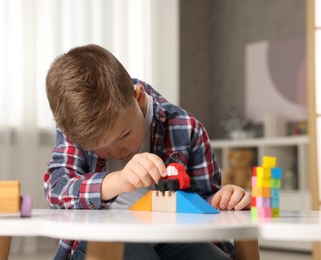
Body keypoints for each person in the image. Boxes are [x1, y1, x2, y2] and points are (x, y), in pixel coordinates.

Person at [44, 44, 251, 260]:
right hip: (101, 238)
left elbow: (203, 200)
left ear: (139, 97)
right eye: (98, 147)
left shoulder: (186, 128)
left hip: (171, 238)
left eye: (124, 134)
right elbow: (57, 189)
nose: (117, 151)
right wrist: (118, 181)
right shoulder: (79, 126)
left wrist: (223, 200)